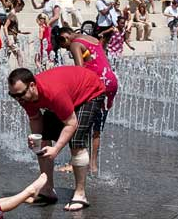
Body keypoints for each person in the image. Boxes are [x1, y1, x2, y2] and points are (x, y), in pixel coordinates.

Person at [8, 66, 106, 211]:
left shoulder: (53, 92)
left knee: (76, 140)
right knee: (44, 137)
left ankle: (80, 195)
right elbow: (35, 118)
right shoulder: (25, 97)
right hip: (69, 94)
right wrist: (37, 142)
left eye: (20, 94)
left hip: (90, 93)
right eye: (13, 95)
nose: (18, 99)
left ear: (32, 86)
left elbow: (71, 123)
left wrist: (56, 149)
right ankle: (47, 189)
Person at [57, 27, 118, 174]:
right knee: (96, 127)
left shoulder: (74, 44)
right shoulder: (92, 39)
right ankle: (93, 165)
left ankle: (74, 163)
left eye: (63, 46)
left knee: (79, 123)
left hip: (95, 84)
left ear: (65, 37)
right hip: (110, 81)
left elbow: (80, 71)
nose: (66, 49)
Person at [3, 0, 30, 68]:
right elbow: (5, 27)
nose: (21, 9)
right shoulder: (12, 15)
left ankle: (1, 70)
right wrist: (8, 39)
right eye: (21, 7)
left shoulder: (13, 14)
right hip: (10, 37)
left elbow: (11, 28)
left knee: (6, 56)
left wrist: (21, 32)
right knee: (18, 54)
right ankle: (21, 70)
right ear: (18, 5)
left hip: (12, 37)